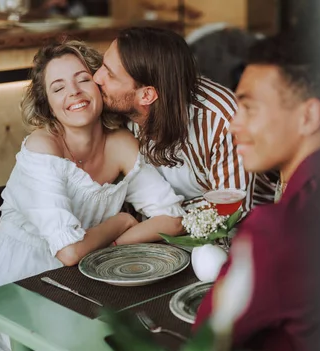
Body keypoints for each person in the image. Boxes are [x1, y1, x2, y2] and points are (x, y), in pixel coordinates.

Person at [0, 40, 185, 351]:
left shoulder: (121, 144)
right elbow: (68, 252)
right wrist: (122, 220)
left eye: (82, 79)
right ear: (48, 105)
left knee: (139, 347)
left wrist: (114, 239)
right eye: (58, 87)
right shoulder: (43, 148)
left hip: (88, 276)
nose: (74, 92)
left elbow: (171, 218)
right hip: (22, 283)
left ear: (99, 85)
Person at [193, 33, 320, 351]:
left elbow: (205, 344)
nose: (234, 125)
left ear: (308, 116)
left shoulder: (276, 230)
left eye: (249, 108)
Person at [92, 26, 277, 216]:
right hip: (162, 226)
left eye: (110, 75)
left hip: (241, 226)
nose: (96, 77)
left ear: (147, 95)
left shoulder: (221, 121)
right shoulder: (112, 111)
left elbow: (232, 213)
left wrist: (173, 219)